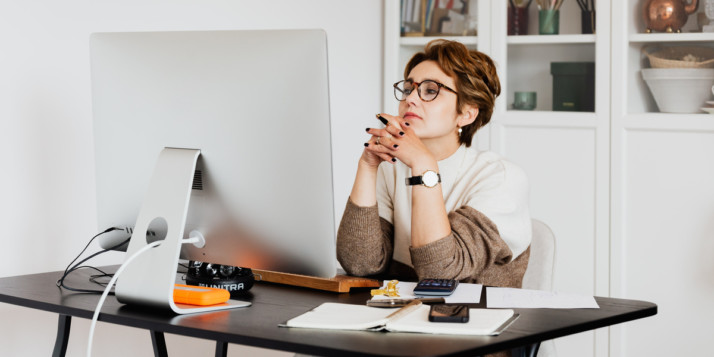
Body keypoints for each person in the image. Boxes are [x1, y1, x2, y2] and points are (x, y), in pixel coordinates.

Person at [336, 40, 531, 288]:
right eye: (408, 89)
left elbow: (439, 274)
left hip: (474, 320)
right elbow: (360, 264)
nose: (411, 99)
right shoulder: (391, 168)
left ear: (467, 114)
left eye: (430, 91)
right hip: (400, 318)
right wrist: (367, 164)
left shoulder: (502, 178)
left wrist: (424, 164)